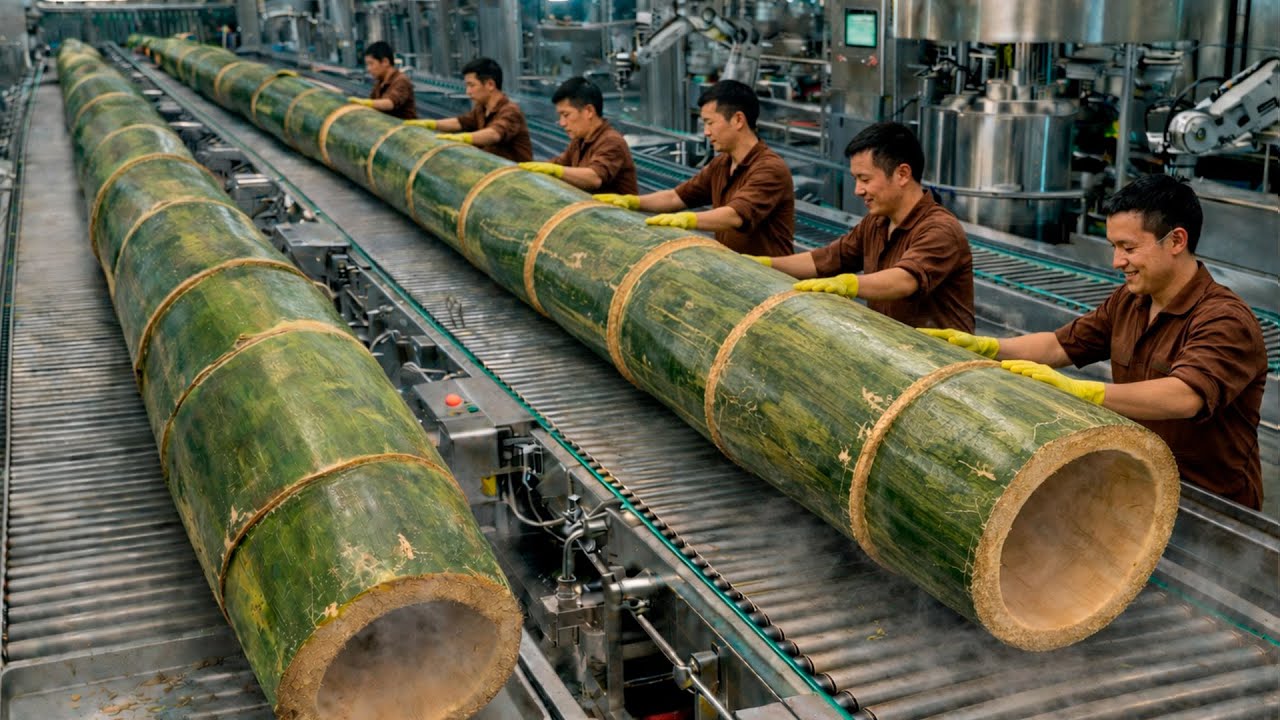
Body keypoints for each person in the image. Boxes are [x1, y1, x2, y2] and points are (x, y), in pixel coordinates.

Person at [923, 174, 1267, 510]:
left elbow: (1184, 396)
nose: (1117, 262)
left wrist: (1085, 392)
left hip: (1209, 506)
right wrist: (988, 348)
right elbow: (1060, 346)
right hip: (1142, 483)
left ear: (1176, 241)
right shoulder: (1131, 300)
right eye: (1114, 247)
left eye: (1128, 248)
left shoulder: (1224, 319)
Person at [760, 122, 974, 332]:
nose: (858, 190)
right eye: (855, 180)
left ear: (902, 174)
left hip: (939, 361)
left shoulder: (940, 229)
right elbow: (829, 258)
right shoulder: (877, 222)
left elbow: (905, 280)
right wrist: (765, 264)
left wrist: (850, 284)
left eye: (864, 179)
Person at [593, 80, 794, 257]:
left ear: (738, 120)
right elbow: (676, 197)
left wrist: (688, 220)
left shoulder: (769, 168)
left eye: (710, 123)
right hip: (738, 271)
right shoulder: (722, 163)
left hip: (770, 281)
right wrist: (632, 202)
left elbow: (735, 215)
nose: (706, 132)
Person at [517, 77, 638, 195]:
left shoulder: (611, 141)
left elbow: (594, 178)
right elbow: (559, 163)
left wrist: (556, 171)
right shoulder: (579, 140)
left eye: (566, 115)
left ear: (589, 111)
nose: (562, 123)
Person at [404, 57, 532, 162]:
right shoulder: (481, 109)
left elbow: (494, 134)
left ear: (490, 84)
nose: (468, 92)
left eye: (471, 85)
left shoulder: (510, 111)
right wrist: (431, 124)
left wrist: (464, 138)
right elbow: (461, 122)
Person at [347, 41, 416, 120]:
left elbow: (390, 102)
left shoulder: (401, 80)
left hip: (405, 130)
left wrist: (367, 103)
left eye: (371, 63)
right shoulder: (380, 82)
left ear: (385, 62)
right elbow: (373, 101)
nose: (368, 69)